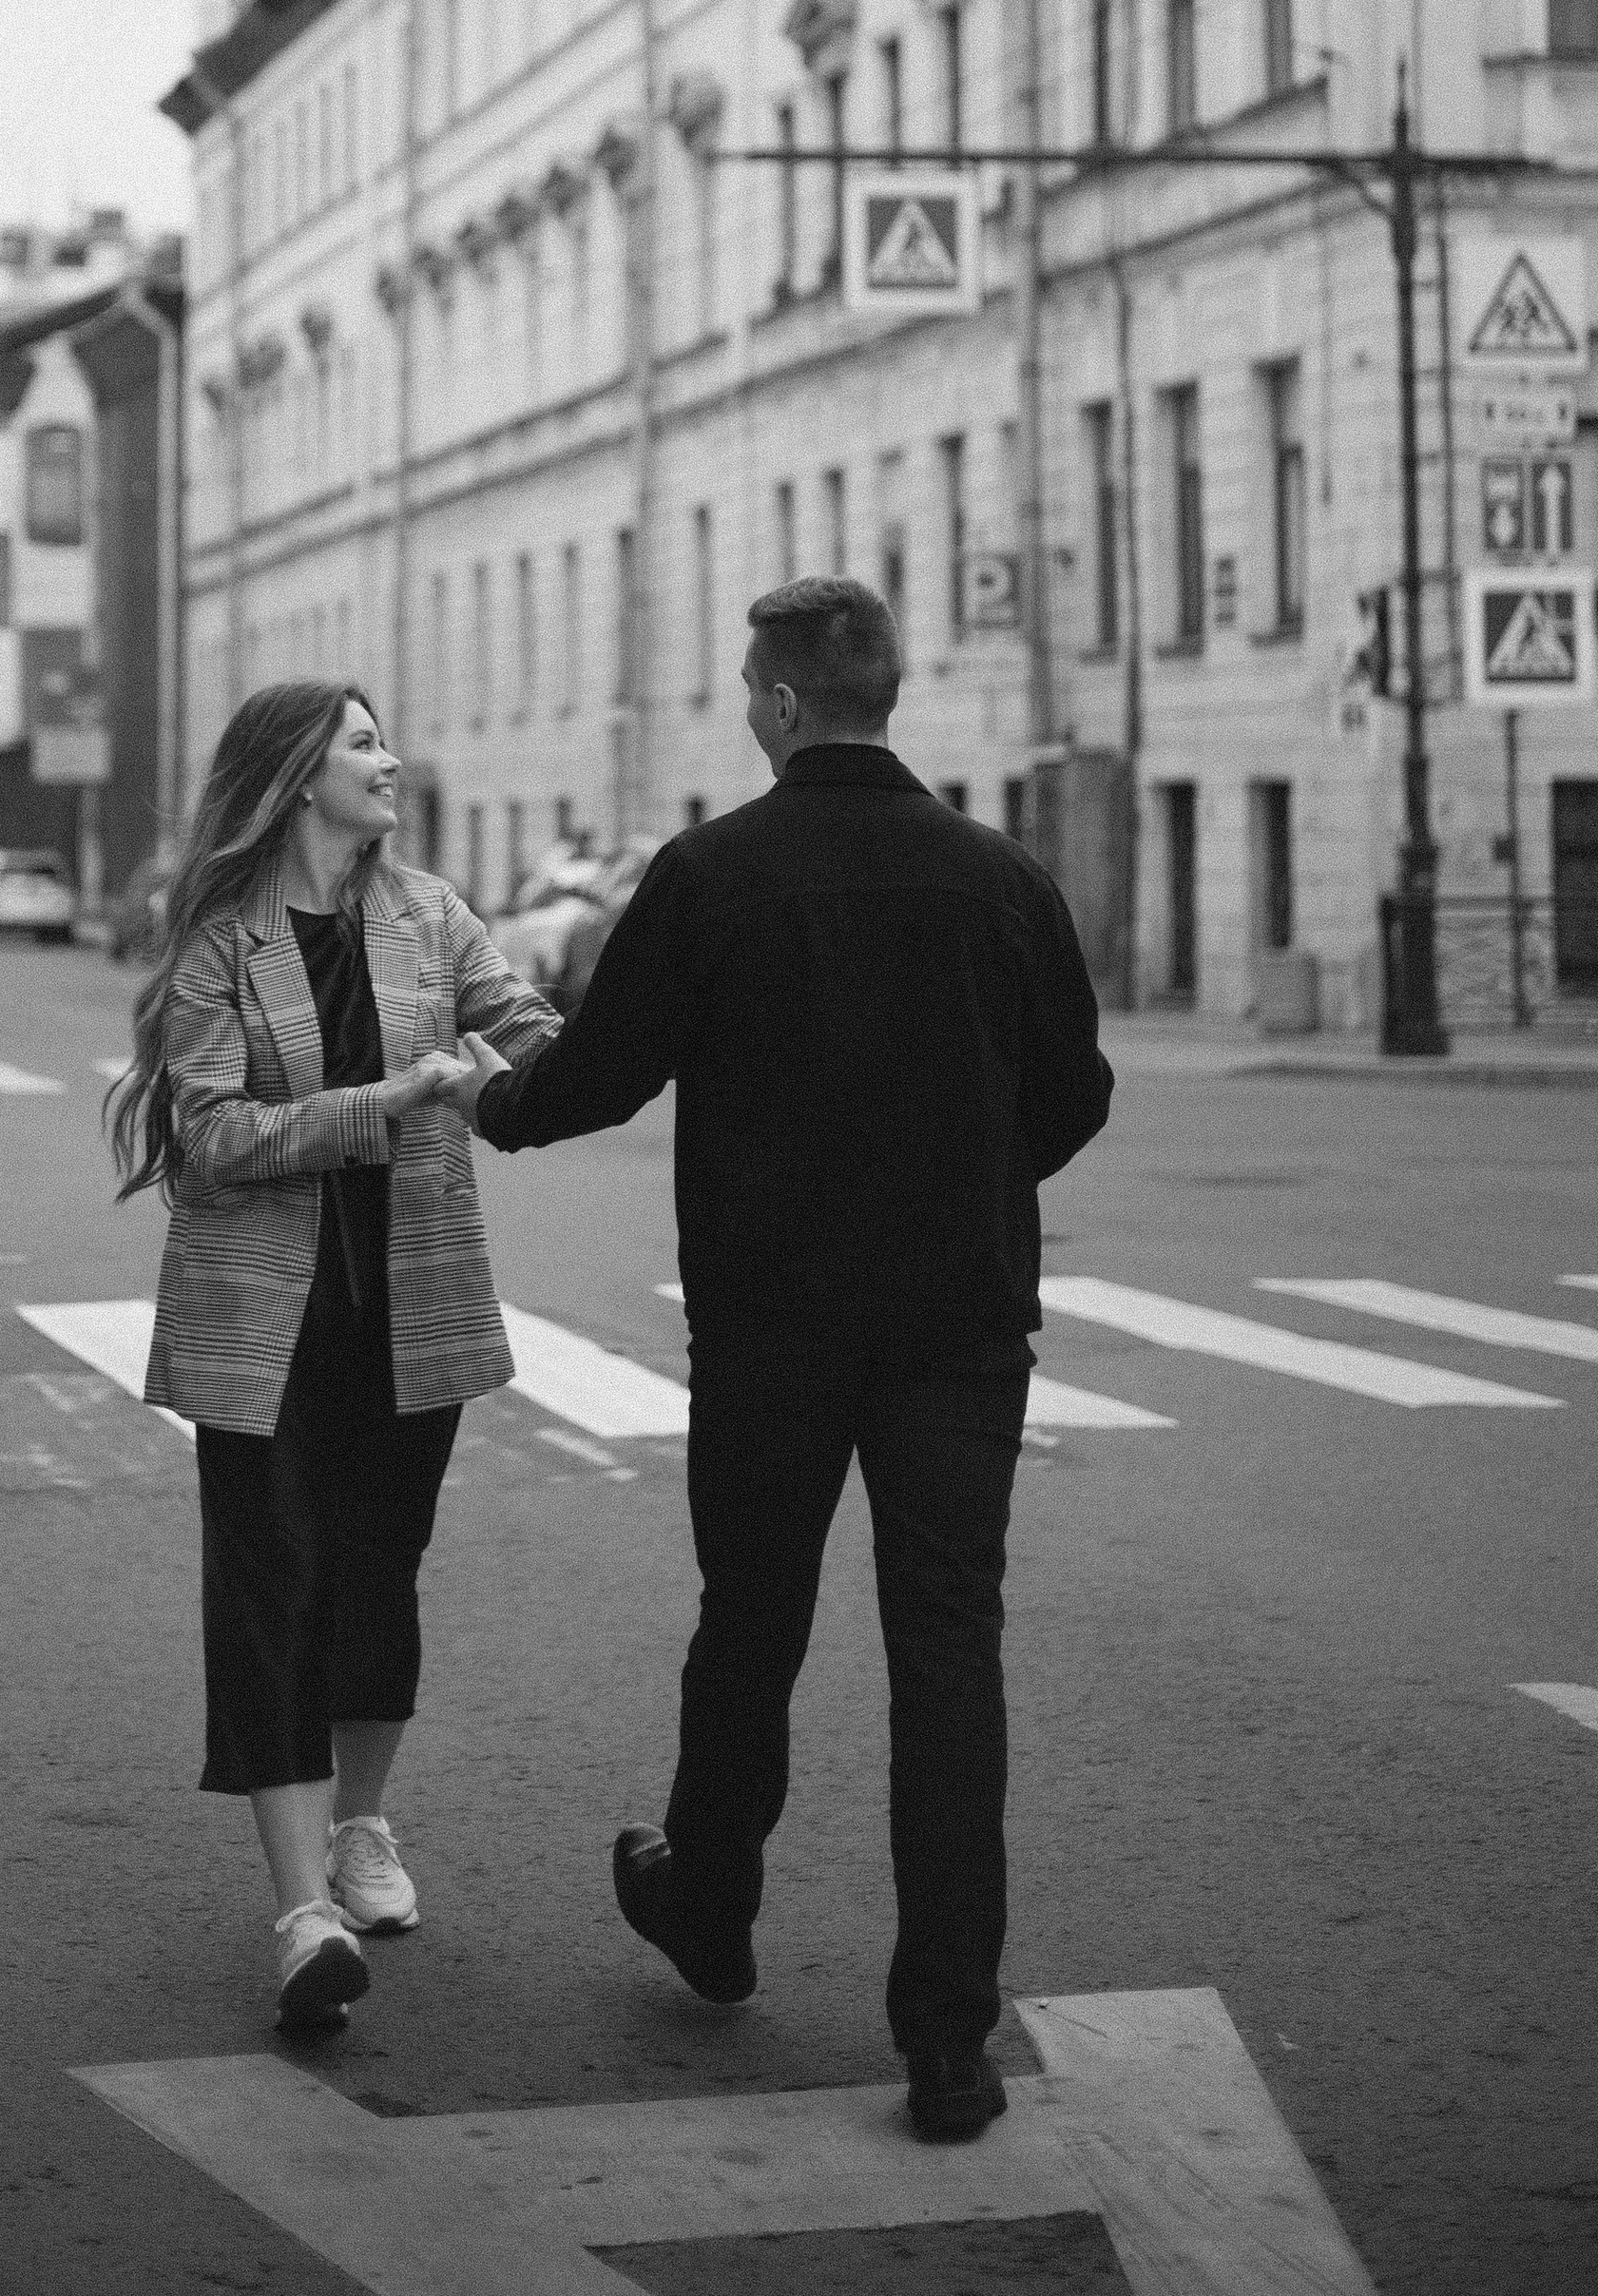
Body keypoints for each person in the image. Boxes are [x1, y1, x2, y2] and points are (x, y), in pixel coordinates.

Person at [444, 576, 1113, 2145]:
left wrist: (483, 1096)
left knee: (751, 1617)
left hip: (773, 1329)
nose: (749, 700)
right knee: (951, 1652)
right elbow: (1075, 1095)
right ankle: (949, 2039)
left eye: (753, 681)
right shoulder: (1000, 879)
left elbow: (598, 1076)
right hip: (960, 1329)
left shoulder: (713, 874)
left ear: (788, 704)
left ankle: (715, 1902)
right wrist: (965, 1176)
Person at [108, 680, 560, 2036]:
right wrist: (394, 1097)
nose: (392, 757)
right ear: (300, 773)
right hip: (263, 1317)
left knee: (379, 1575)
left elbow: (529, 1030)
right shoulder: (217, 943)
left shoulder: (428, 913)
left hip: (407, 1301)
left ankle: (363, 1824)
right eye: (363, 741)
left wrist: (542, 1066)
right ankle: (303, 1906)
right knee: (270, 1586)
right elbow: (217, 1137)